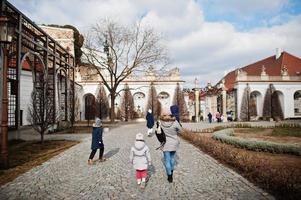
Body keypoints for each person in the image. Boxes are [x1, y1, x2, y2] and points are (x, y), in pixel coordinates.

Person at [159, 108, 182, 183]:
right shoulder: (174, 122)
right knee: (172, 158)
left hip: (165, 143)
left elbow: (157, 131)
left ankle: (169, 176)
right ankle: (171, 171)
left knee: (167, 160)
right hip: (174, 143)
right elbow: (181, 130)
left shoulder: (160, 122)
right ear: (170, 114)